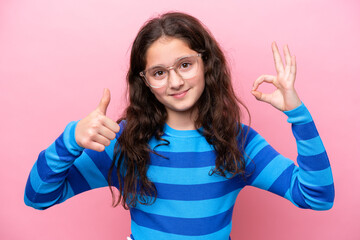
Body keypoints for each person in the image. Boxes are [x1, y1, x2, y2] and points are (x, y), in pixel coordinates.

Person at [24, 11, 334, 240]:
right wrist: (70, 140)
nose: (175, 82)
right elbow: (38, 197)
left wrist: (298, 113)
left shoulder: (238, 142)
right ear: (144, 81)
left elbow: (316, 197)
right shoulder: (123, 143)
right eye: (159, 72)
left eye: (185, 65)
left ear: (205, 63)